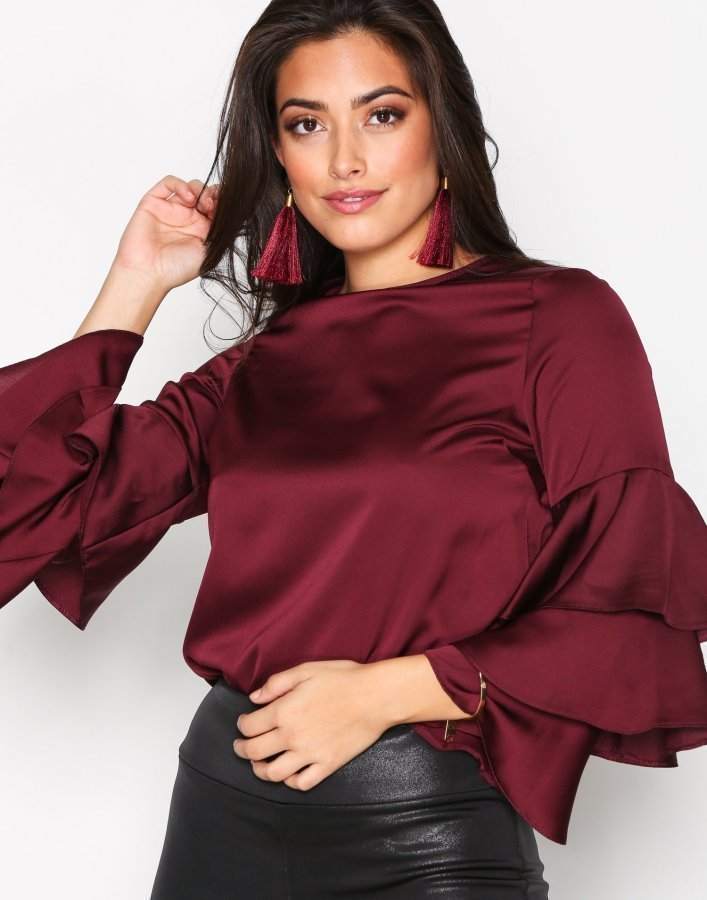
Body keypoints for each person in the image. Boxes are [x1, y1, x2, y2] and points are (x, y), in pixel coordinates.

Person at [2, 1, 706, 897]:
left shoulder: (558, 319)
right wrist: (134, 286)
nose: (344, 159)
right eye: (306, 124)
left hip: (428, 829)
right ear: (278, 155)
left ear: (442, 128)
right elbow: (28, 508)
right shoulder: (257, 367)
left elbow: (631, 606)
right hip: (221, 814)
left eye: (381, 114)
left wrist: (388, 692)